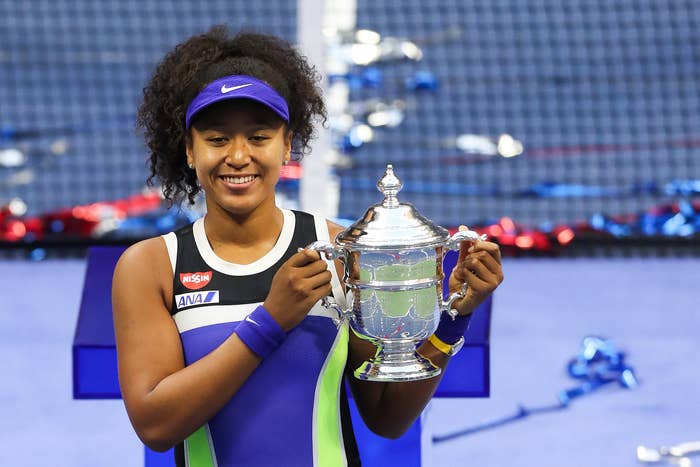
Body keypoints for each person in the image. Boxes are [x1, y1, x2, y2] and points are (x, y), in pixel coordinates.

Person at [113, 25, 504, 467]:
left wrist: (453, 320)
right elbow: (156, 425)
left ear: (287, 147)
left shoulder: (341, 250)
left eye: (259, 137)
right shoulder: (152, 267)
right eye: (217, 139)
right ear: (189, 149)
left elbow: (386, 416)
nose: (238, 156)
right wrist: (271, 321)